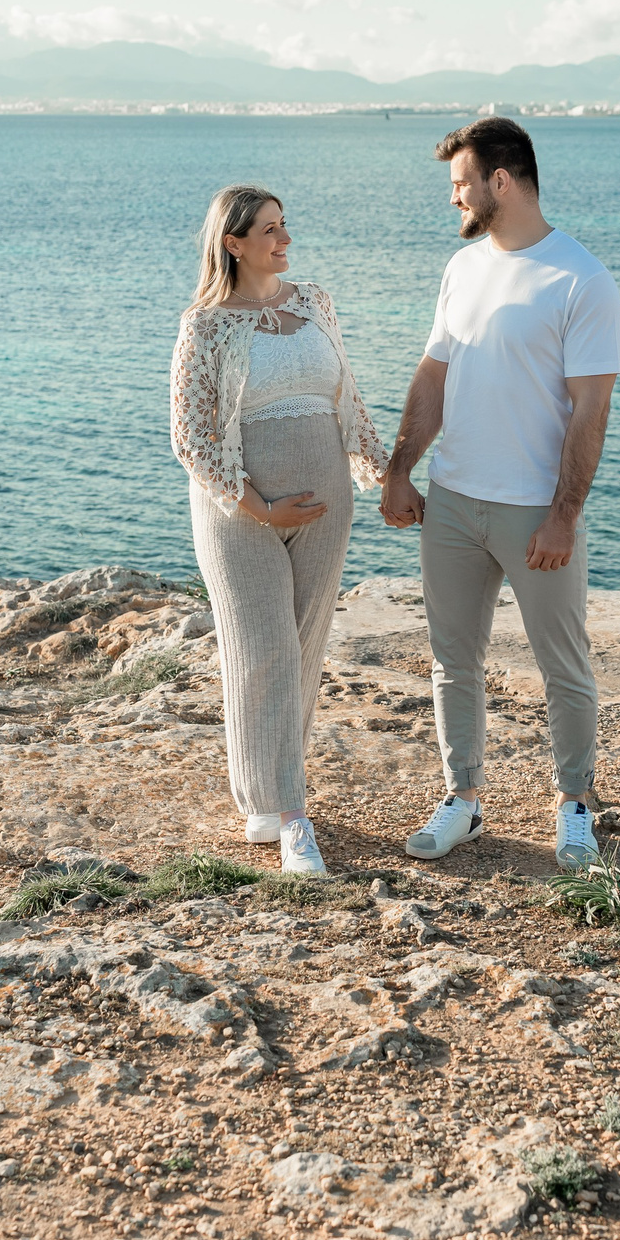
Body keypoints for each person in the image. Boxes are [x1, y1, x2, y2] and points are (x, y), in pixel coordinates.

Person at [380, 118, 620, 867]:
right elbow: (435, 377)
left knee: (563, 666)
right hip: (452, 499)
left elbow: (591, 408)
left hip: (532, 513)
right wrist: (399, 469)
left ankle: (575, 806)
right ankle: (464, 800)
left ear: (502, 182)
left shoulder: (581, 279)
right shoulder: (463, 271)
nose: (453, 198)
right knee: (453, 659)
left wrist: (562, 517)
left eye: (461, 184)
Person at [171, 184, 391, 876]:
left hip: (325, 506)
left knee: (301, 649)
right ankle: (291, 817)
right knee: (261, 651)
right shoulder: (204, 325)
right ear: (232, 243)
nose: (283, 239)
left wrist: (387, 473)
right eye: (268, 230)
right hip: (241, 513)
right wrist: (260, 506)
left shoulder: (314, 301)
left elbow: (346, 396)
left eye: (284, 226)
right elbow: (190, 435)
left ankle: (271, 799)